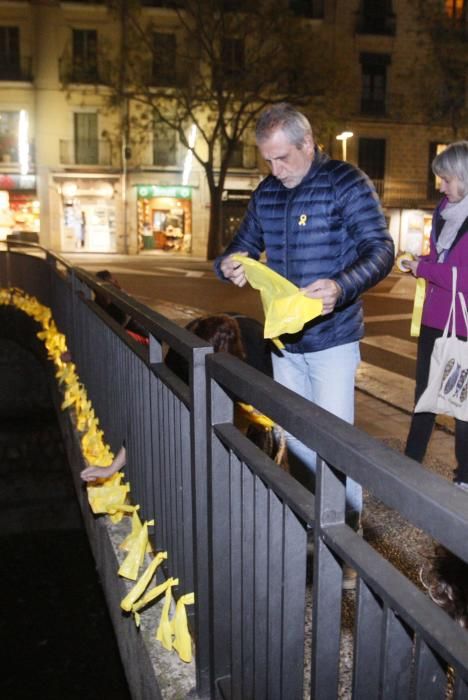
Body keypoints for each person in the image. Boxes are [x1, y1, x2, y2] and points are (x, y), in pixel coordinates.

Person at [215, 103, 395, 535]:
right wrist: (228, 263)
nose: (276, 169)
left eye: (283, 157)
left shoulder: (346, 183)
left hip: (332, 341)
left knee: (336, 446)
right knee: (295, 439)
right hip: (284, 344)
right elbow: (239, 245)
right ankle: (311, 528)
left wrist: (340, 287)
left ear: (309, 144)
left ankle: (348, 544)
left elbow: (381, 250)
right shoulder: (268, 192)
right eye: (268, 160)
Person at [81, 313, 285, 482]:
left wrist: (260, 411)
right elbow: (154, 407)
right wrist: (112, 467)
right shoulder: (185, 353)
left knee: (262, 431)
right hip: (213, 362)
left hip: (250, 365)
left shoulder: (256, 354)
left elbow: (274, 400)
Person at [403, 141, 468, 488]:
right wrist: (418, 263)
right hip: (433, 319)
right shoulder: (444, 210)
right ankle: (411, 462)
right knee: (423, 395)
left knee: (462, 403)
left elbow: (465, 279)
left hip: (462, 325)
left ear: (462, 176)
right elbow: (439, 261)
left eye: (444, 179)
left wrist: (425, 270)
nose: (439, 185)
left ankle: (466, 476)